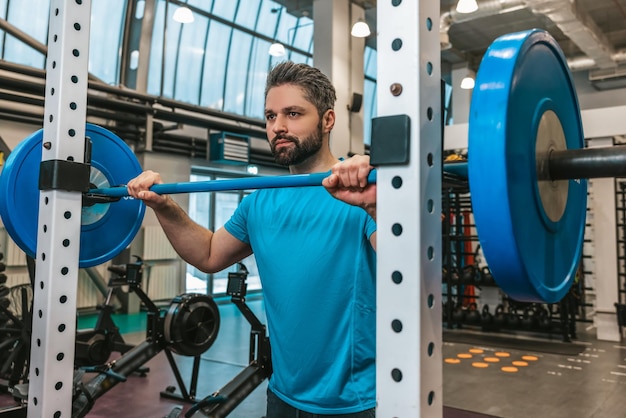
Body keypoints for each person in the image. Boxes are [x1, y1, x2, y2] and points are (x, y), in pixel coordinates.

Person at [127, 61, 377, 417]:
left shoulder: (359, 195)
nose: (278, 127)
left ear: (328, 120)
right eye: (270, 116)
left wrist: (377, 207)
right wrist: (163, 205)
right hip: (282, 394)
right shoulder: (260, 202)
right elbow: (209, 254)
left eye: (293, 113)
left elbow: (410, 272)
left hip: (353, 403)